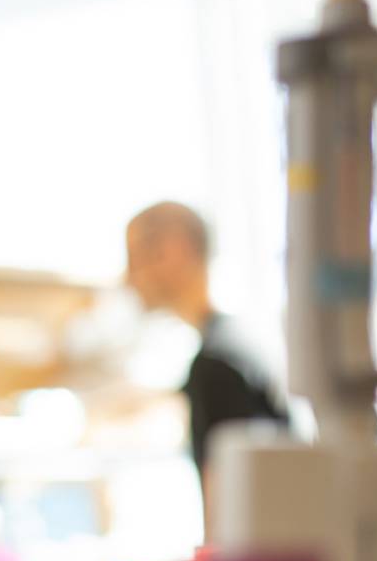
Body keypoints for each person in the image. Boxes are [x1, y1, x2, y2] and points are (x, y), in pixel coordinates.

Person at [124, 202, 289, 479]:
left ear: (175, 250)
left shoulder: (215, 365)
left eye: (134, 258)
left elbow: (227, 495)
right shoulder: (233, 343)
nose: (129, 279)